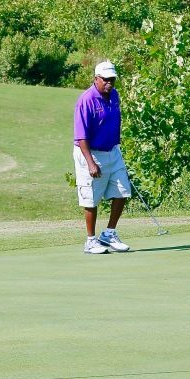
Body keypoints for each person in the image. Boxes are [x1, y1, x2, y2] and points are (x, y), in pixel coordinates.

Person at [73, 60, 132, 254]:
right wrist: (91, 163)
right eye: (105, 79)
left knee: (122, 191)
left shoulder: (114, 95)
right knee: (91, 199)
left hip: (112, 151)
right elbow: (81, 137)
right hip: (90, 153)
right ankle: (90, 241)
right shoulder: (86, 100)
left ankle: (109, 233)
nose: (109, 83)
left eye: (112, 79)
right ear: (96, 79)